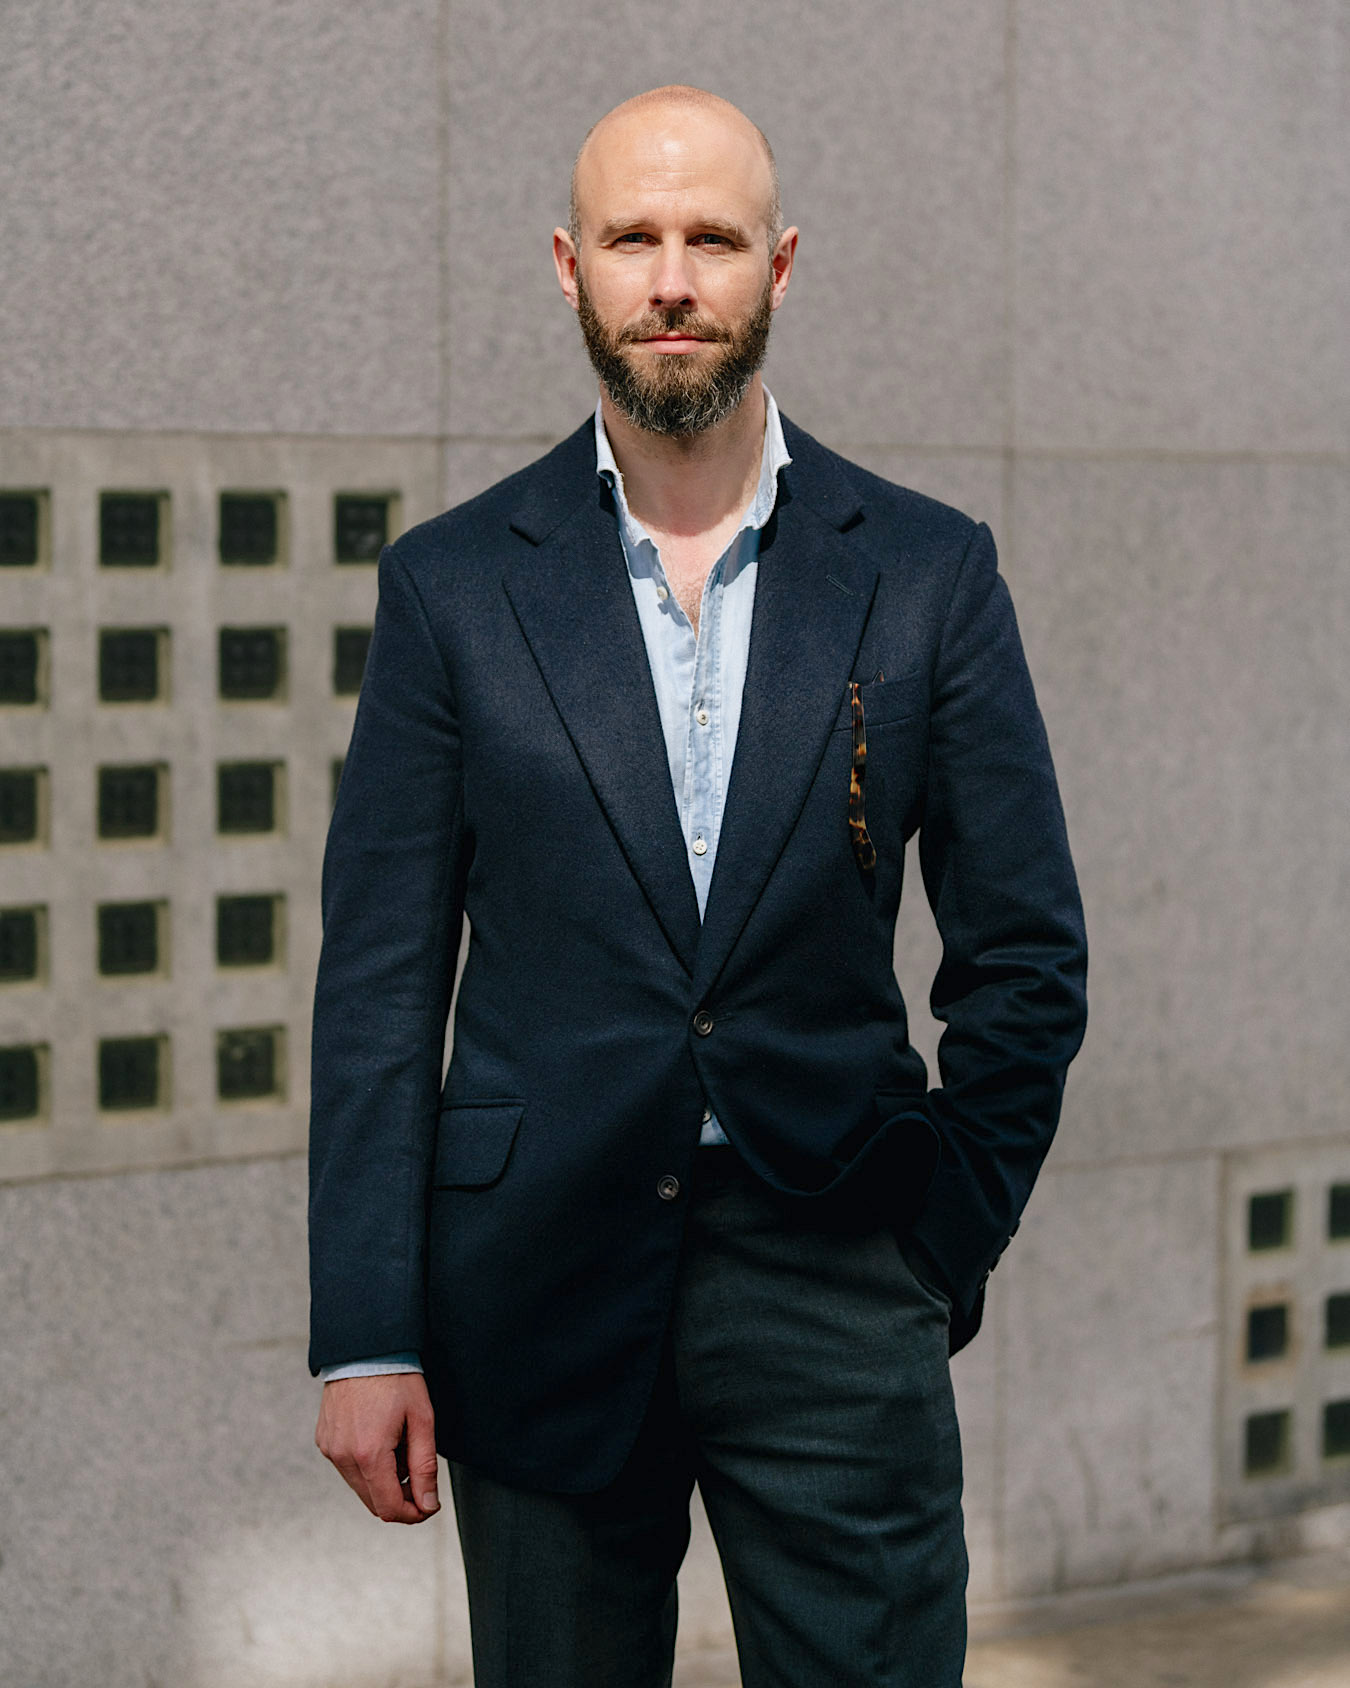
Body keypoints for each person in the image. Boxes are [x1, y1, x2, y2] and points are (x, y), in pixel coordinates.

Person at [309, 84, 1087, 1688]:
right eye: (631, 239)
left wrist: (933, 1242)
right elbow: (380, 983)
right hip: (530, 1282)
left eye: (711, 240)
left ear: (779, 267)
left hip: (836, 1267)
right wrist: (370, 1329)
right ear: (568, 264)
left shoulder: (927, 573)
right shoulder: (451, 588)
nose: (671, 279)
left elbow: (1024, 957)